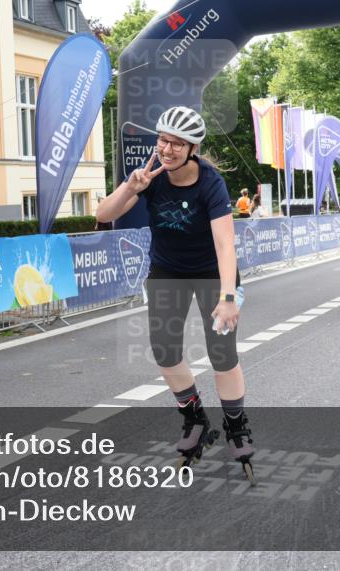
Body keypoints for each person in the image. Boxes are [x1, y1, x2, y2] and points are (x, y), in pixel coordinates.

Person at [94, 106, 255, 481]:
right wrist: (130, 187)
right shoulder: (150, 178)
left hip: (213, 274)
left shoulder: (210, 183)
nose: (167, 149)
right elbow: (104, 213)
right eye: (163, 140)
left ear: (192, 148)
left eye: (177, 144)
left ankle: (236, 423)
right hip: (167, 272)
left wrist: (228, 298)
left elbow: (225, 245)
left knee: (222, 354)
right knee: (165, 351)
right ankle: (194, 417)